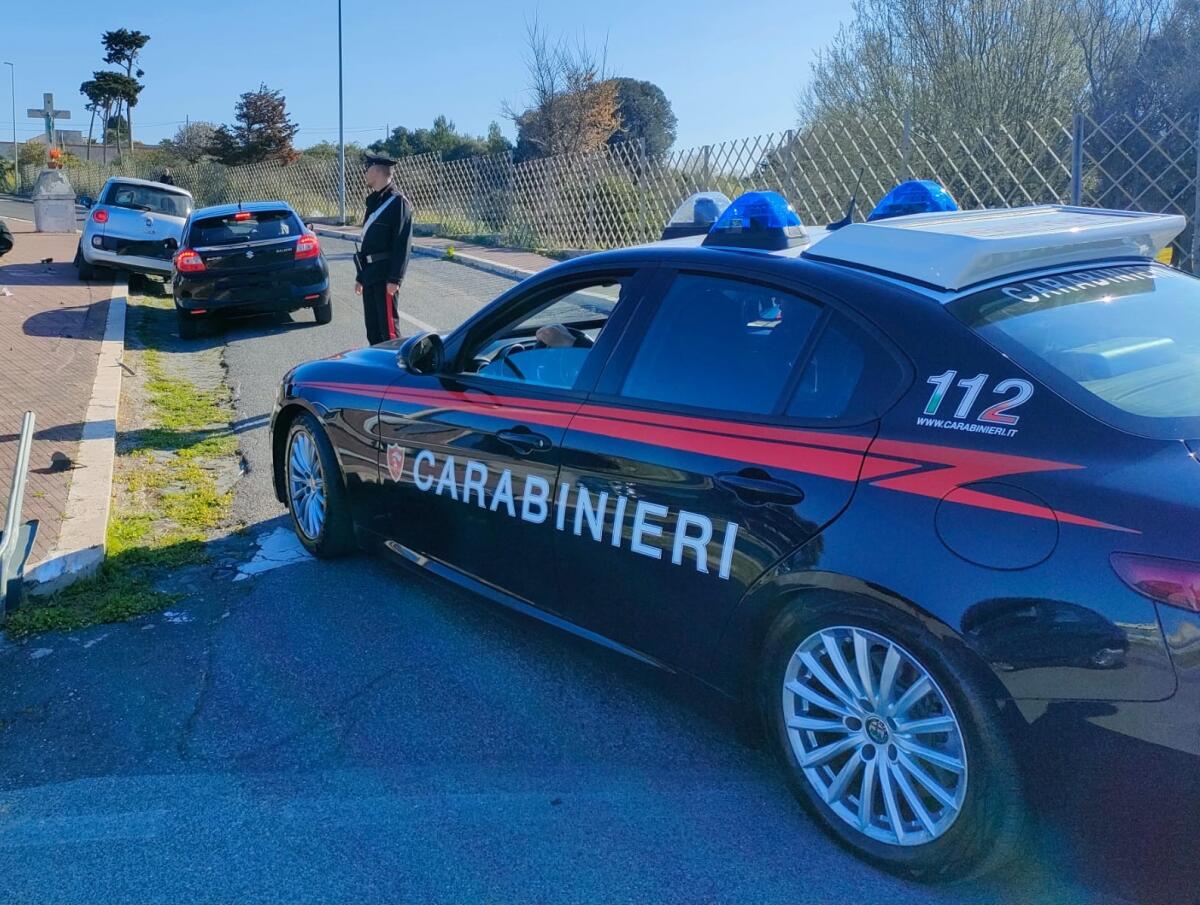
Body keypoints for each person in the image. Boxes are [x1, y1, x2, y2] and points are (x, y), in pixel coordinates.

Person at [355, 153, 413, 345]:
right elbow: (367, 243)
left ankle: (393, 370)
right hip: (370, 273)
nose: (364, 173)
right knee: (372, 329)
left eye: (367, 169)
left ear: (377, 171)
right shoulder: (374, 202)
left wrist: (395, 278)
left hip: (385, 274)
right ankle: (377, 371)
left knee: (388, 331)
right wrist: (360, 277)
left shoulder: (398, 203)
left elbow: (402, 244)